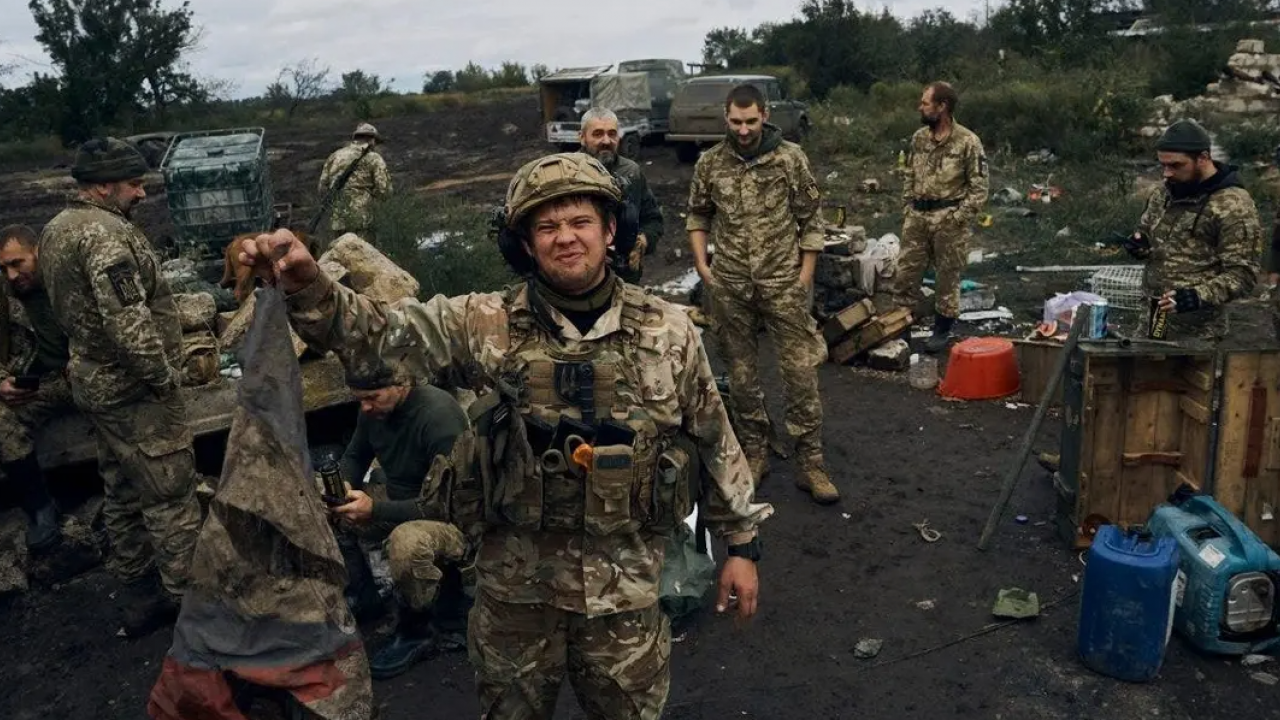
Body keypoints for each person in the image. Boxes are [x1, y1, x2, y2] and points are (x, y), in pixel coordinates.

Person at [239, 151, 770, 719]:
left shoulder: (670, 330)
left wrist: (740, 548)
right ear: (525, 242)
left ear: (611, 230)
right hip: (516, 597)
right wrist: (309, 284)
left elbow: (714, 438)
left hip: (626, 595)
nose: (565, 238)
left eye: (580, 222)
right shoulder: (483, 321)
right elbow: (379, 334)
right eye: (546, 226)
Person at [39, 137, 202, 637]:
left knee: (122, 489)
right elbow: (128, 321)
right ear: (105, 186)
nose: (142, 194)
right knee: (170, 494)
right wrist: (163, 378)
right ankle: (193, 609)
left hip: (94, 383)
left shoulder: (55, 229)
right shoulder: (106, 237)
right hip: (133, 391)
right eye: (135, 185)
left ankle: (137, 592)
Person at [686, 82, 838, 505]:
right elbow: (699, 213)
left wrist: (804, 276)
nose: (744, 129)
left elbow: (811, 220)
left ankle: (811, 462)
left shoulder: (790, 159)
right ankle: (755, 451)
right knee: (741, 374)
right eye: (736, 121)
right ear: (726, 118)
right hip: (730, 284)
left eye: (751, 120)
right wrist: (703, 265)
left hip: (783, 283)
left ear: (765, 114)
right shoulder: (711, 163)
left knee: (800, 372)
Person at [327, 357, 473, 680]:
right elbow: (354, 455)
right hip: (402, 501)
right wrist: (344, 487)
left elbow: (448, 505)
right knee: (327, 503)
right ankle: (366, 598)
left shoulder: (438, 416)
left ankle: (419, 629)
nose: (364, 407)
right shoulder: (374, 411)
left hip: (453, 517)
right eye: (359, 399)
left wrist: (375, 511)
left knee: (407, 543)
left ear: (401, 386)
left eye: (372, 398)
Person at [1124, 118, 1262, 342]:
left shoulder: (1232, 205)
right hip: (1153, 322)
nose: (1166, 173)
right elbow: (1147, 231)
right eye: (1163, 165)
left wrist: (1198, 296)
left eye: (1176, 165)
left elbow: (1243, 275)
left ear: (1203, 158)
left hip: (1199, 335)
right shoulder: (1165, 193)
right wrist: (1140, 244)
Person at [892, 81, 989, 354]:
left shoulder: (968, 142)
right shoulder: (919, 138)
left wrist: (958, 218)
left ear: (942, 106)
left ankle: (942, 329)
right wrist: (907, 207)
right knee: (905, 275)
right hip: (917, 217)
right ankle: (902, 328)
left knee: (948, 277)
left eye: (925, 103)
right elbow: (909, 174)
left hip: (949, 218)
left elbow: (979, 188)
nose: (919, 107)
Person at [0, 224, 71, 551]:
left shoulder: (67, 282)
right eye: (4, 268)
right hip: (39, 385)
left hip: (83, 375)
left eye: (18, 263)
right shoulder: (7, 297)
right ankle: (40, 508)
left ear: (38, 254)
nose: (12, 275)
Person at [577, 108, 664, 282]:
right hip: (580, 277)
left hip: (624, 277)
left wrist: (642, 242)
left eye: (612, 134)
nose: (606, 141)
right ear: (582, 137)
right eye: (598, 134)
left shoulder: (632, 172)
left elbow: (653, 220)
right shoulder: (566, 173)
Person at [318, 122, 393, 246]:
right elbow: (384, 190)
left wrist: (335, 206)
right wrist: (373, 199)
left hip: (338, 220)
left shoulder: (334, 156)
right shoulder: (374, 158)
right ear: (371, 139)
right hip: (363, 220)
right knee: (364, 259)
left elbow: (322, 188)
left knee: (341, 258)